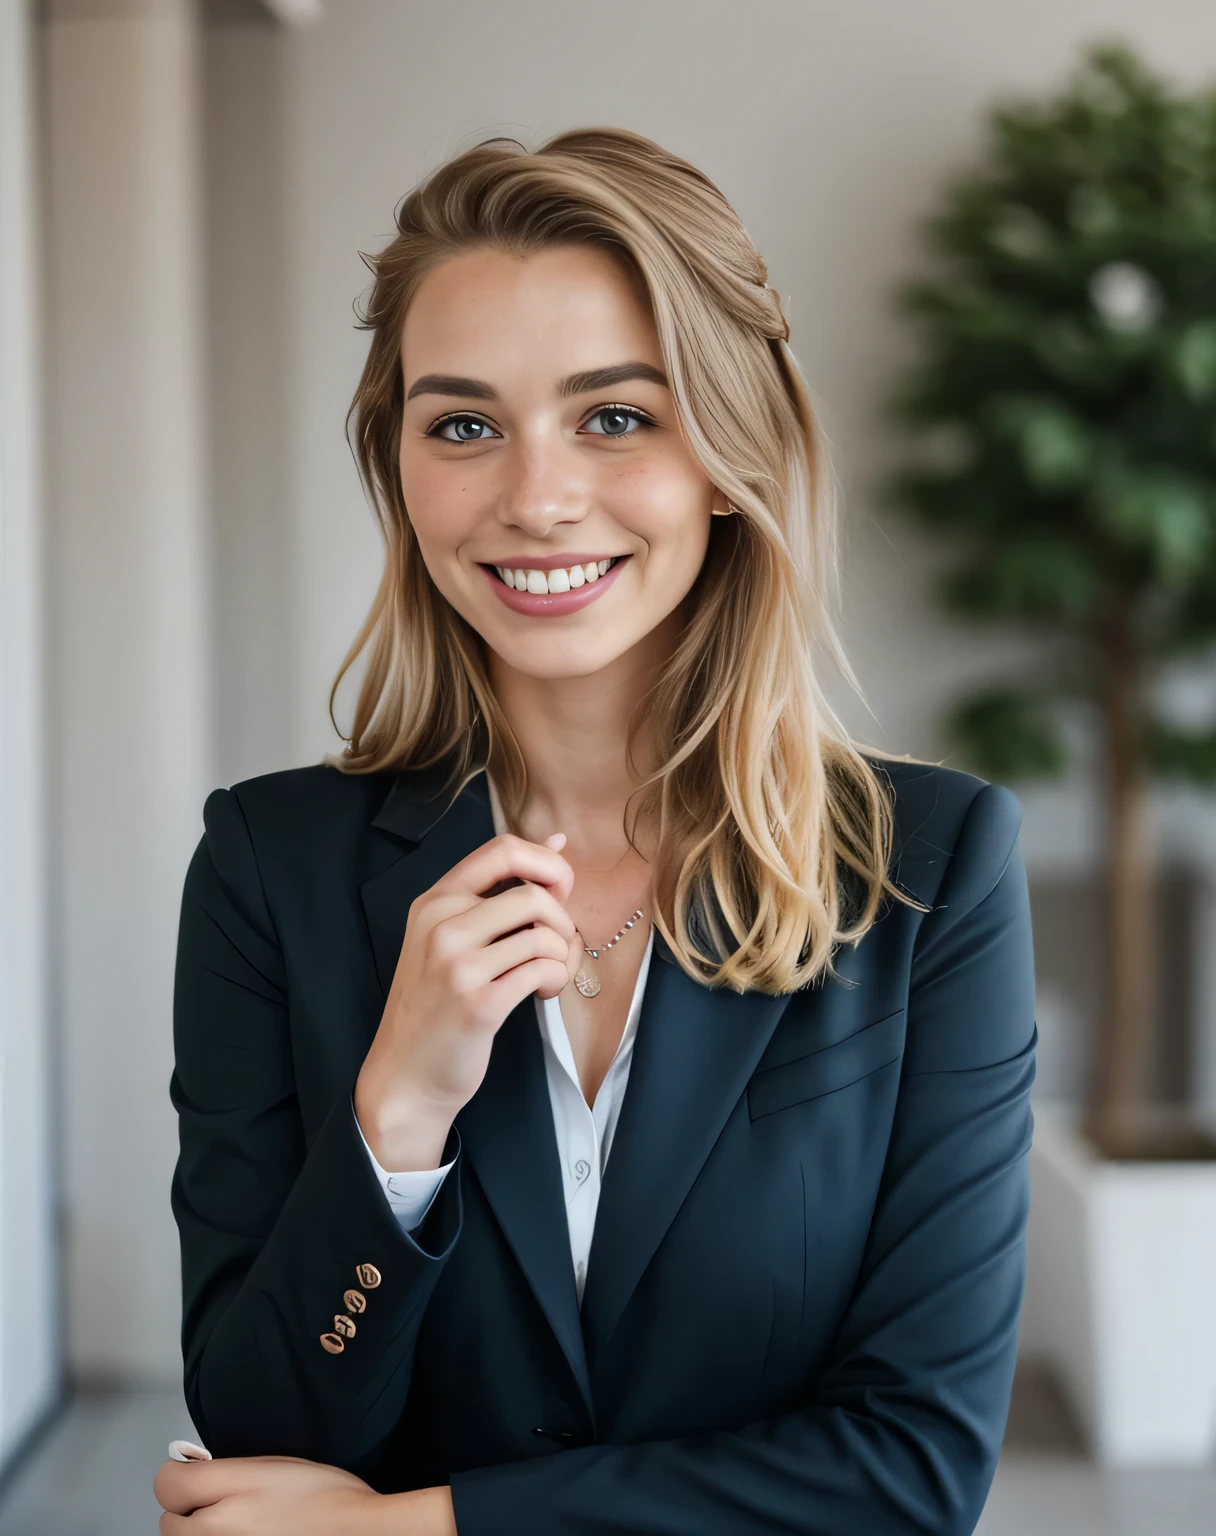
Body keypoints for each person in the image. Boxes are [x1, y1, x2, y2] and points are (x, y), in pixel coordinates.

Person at [154, 128, 1036, 1536]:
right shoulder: (272, 869)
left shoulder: (931, 869)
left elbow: (912, 1471)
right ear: (400, 472)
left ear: (728, 456)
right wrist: (399, 1116)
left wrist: (409, 1529)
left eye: (615, 416)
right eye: (462, 425)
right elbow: (260, 1431)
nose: (536, 496)